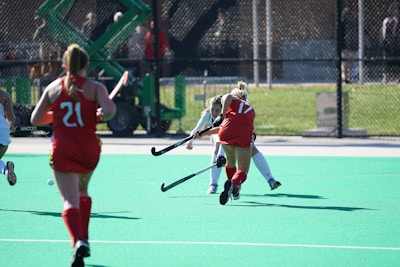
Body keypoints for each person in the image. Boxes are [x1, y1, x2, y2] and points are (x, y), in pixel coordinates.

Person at [30, 44, 116, 267]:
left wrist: (56, 115)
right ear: (86, 66)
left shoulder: (53, 88)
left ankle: (77, 241)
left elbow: (35, 120)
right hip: (89, 148)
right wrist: (97, 114)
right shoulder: (95, 87)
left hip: (63, 148)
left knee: (69, 200)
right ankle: (84, 239)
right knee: (83, 191)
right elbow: (110, 112)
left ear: (64, 65)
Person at [186, 94, 281, 194]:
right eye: (213, 110)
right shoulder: (210, 113)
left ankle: (270, 179)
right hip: (220, 134)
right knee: (221, 144)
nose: (215, 113)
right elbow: (198, 128)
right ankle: (213, 184)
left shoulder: (232, 110)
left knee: (248, 150)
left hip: (225, 132)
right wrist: (191, 141)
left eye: (217, 111)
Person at [194, 82, 255, 205]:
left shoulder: (231, 103)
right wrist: (222, 116)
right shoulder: (250, 109)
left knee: (231, 163)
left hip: (227, 133)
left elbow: (226, 99)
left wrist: (204, 133)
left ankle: (232, 185)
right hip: (242, 135)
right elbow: (243, 127)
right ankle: (233, 184)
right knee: (243, 171)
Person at [0, 89, 16, 186]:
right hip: (3, 133)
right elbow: (11, 118)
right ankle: (6, 170)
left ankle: (5, 169)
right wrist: (10, 127)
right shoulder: (4, 95)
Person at [381, 2, 400, 84]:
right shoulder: (387, 20)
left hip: (398, 44)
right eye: (394, 9)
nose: (396, 11)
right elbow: (383, 32)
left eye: (397, 9)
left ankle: (399, 78)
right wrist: (384, 41)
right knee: (386, 62)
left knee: (398, 61)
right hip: (388, 45)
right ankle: (386, 78)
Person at [341, 7, 358, 84]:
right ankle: (345, 78)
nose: (350, 16)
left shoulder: (354, 24)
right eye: (348, 15)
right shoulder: (342, 24)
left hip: (353, 46)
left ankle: (348, 78)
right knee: (345, 63)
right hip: (345, 47)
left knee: (350, 64)